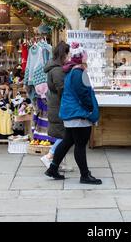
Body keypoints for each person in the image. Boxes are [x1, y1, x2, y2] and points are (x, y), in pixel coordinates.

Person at [45, 42, 102, 185]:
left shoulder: (72, 71)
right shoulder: (78, 72)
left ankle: (52, 168)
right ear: (82, 57)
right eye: (85, 55)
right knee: (80, 144)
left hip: (72, 113)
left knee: (67, 142)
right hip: (78, 114)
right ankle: (85, 175)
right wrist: (90, 109)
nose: (87, 57)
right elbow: (83, 94)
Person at [40, 41, 74, 172]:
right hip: (59, 106)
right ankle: (50, 156)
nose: (70, 56)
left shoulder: (56, 68)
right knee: (65, 136)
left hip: (57, 105)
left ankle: (58, 162)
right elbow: (63, 90)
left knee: (64, 135)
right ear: (63, 54)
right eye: (68, 53)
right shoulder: (58, 70)